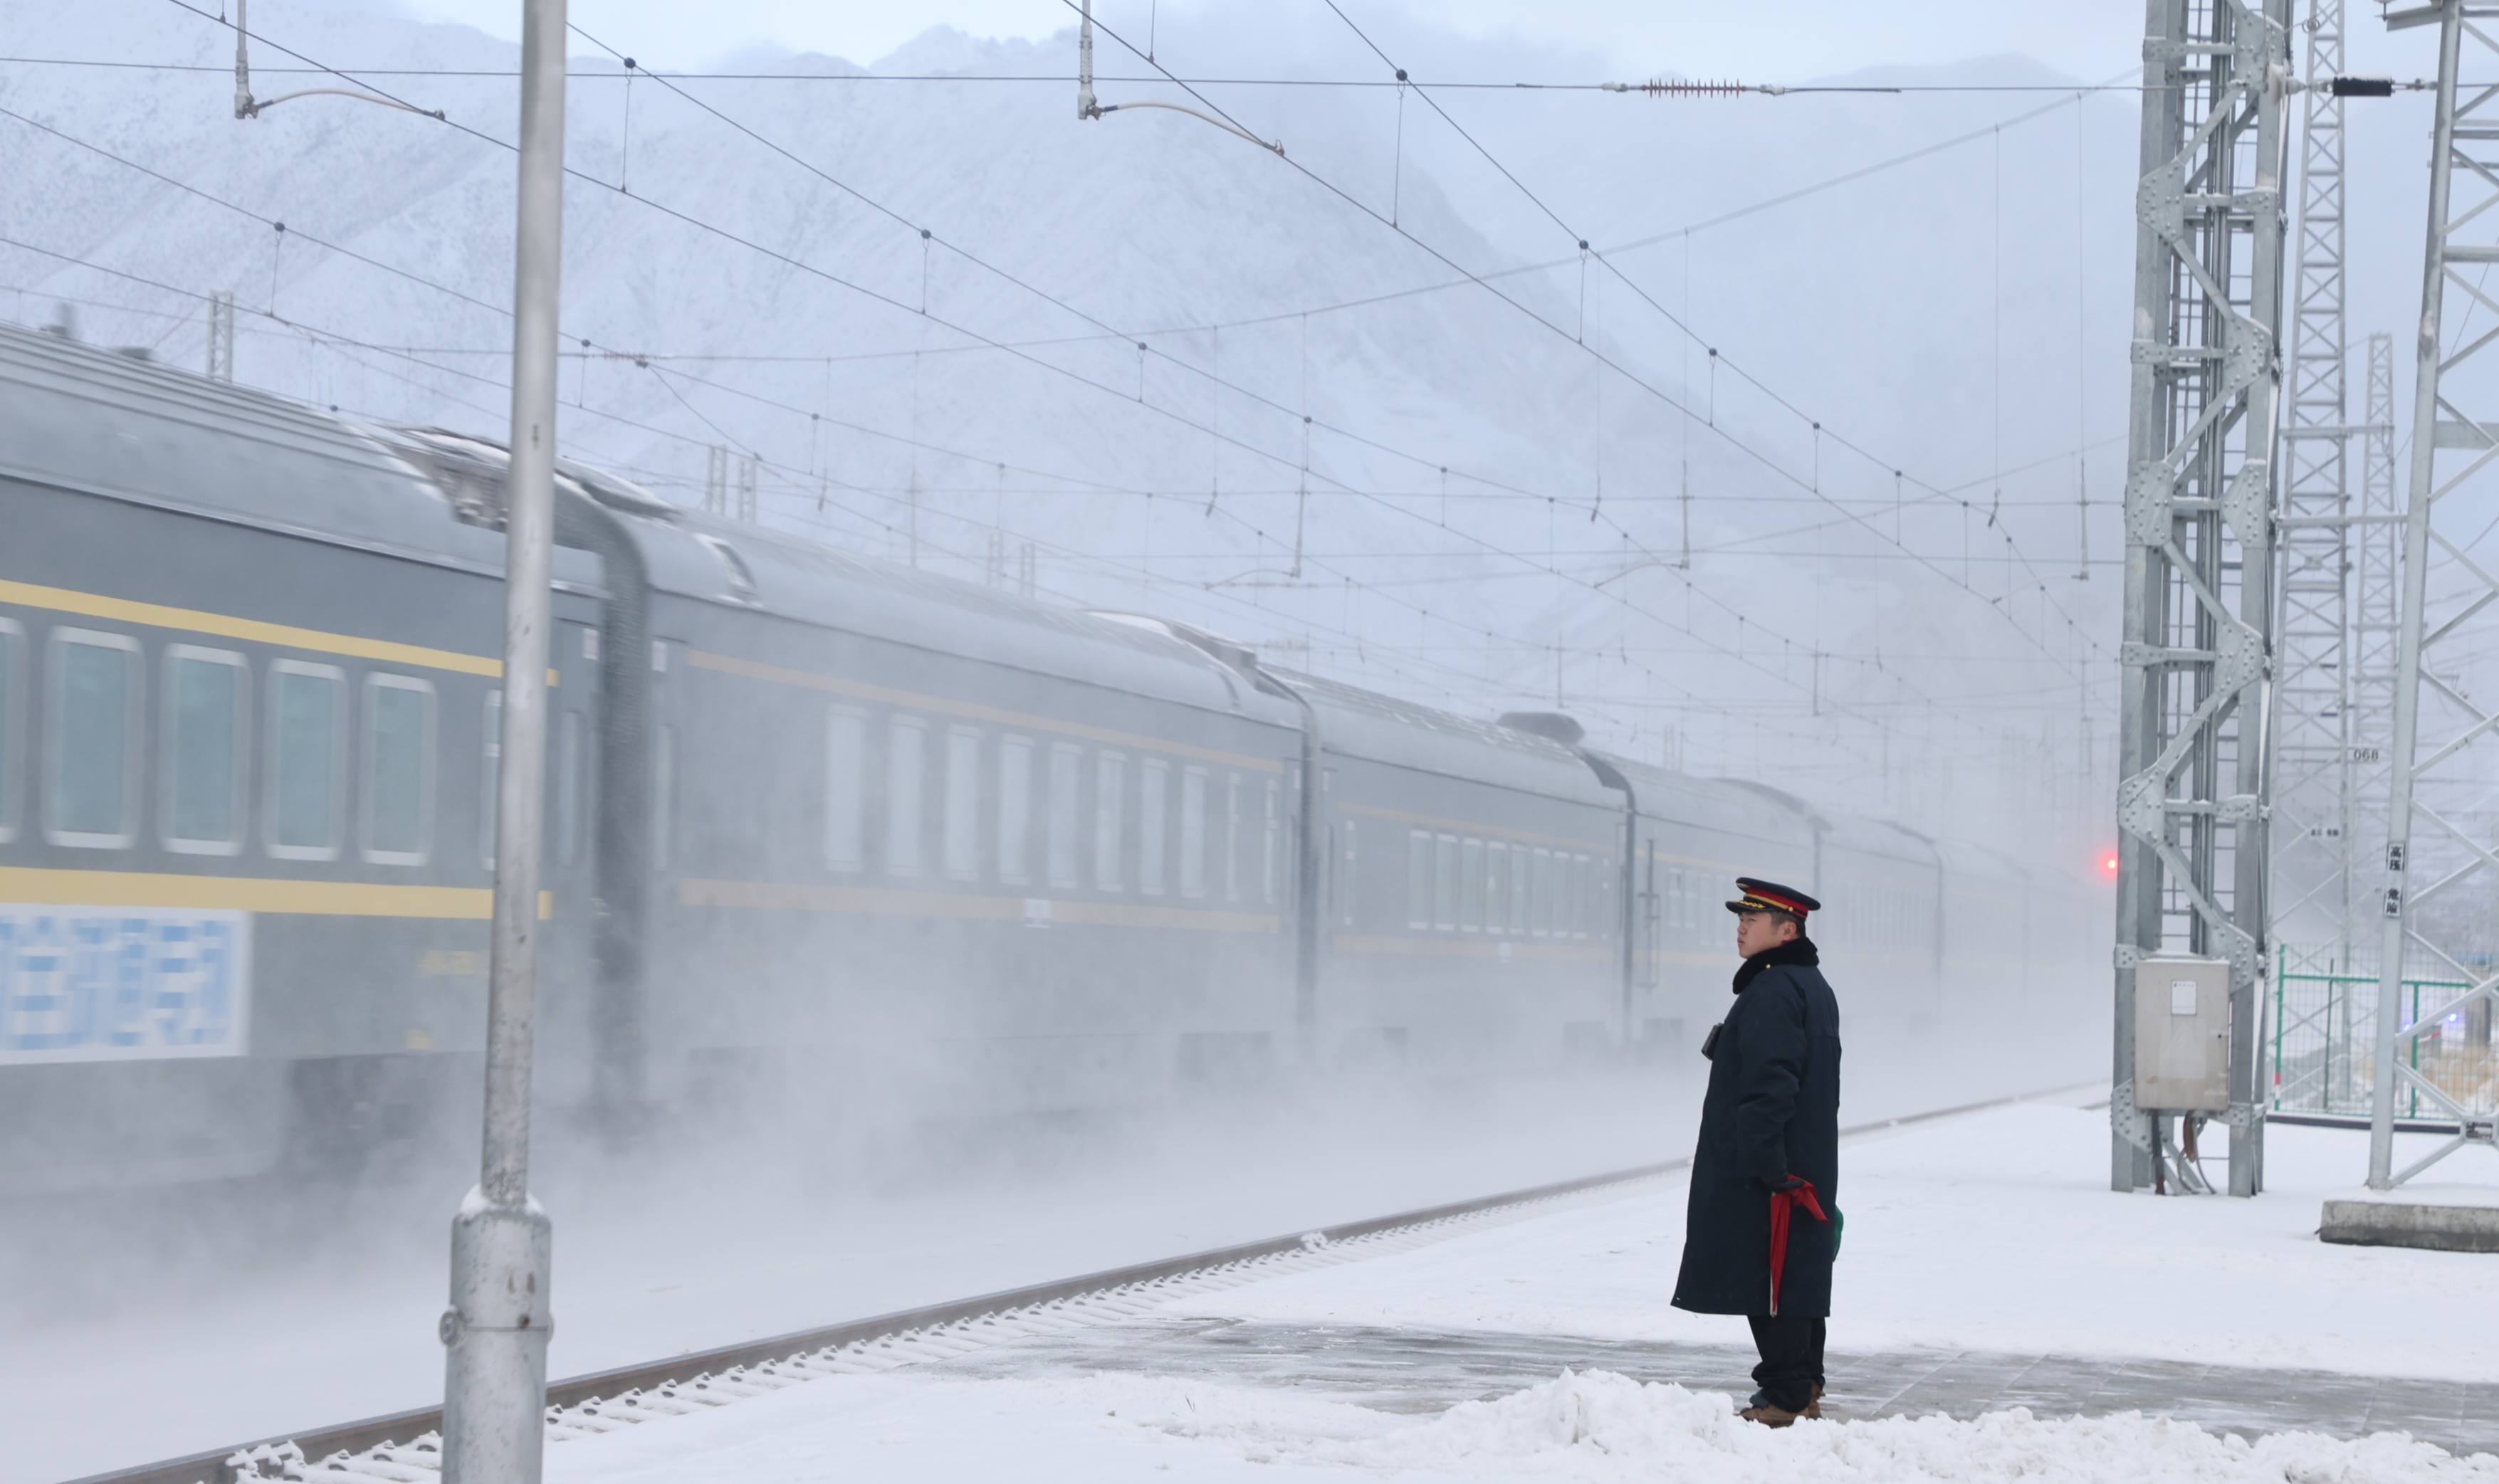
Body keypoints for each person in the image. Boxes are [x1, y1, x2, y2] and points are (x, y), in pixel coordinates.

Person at [1670, 877, 1841, 1428]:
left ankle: (1785, 1395)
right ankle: (1804, 1383)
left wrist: (1767, 1165)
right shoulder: (1811, 985)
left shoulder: (1771, 991)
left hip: (1770, 1171)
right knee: (1797, 1278)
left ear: (1787, 928)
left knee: (1768, 1283)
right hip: (1800, 1161)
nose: (1741, 927)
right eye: (1740, 917)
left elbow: (1772, 1087)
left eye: (1754, 918)